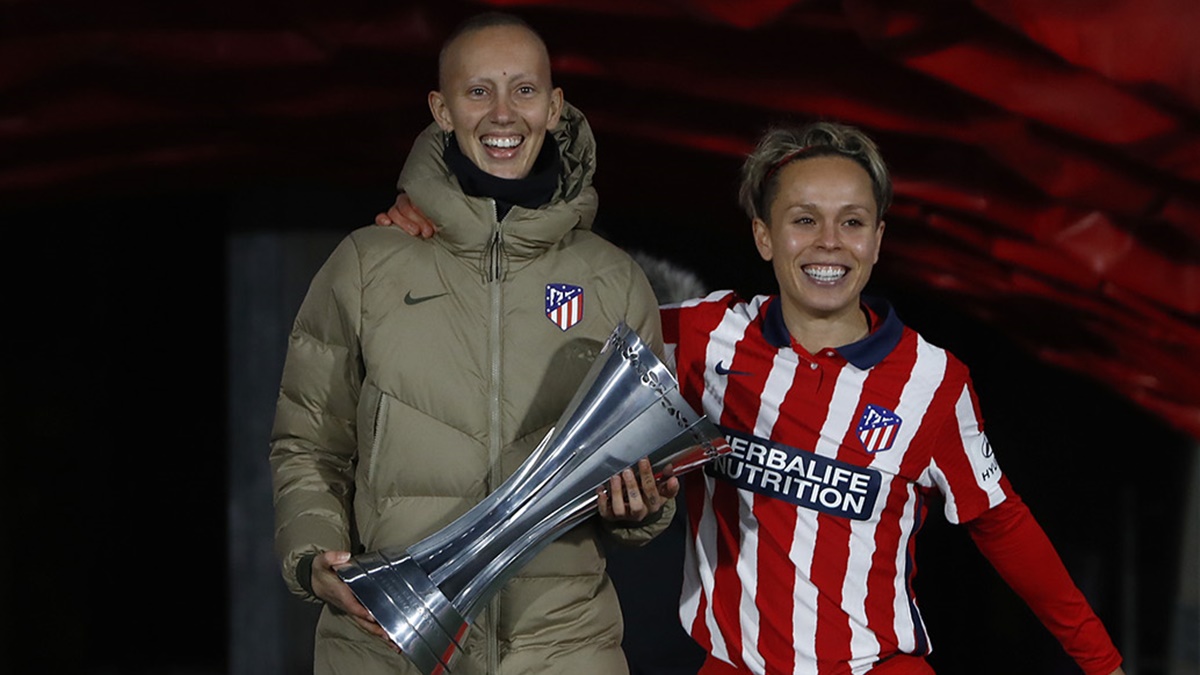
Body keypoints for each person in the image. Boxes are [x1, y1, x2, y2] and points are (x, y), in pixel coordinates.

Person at [377, 121, 1127, 674]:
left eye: (852, 222)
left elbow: (1000, 522)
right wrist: (451, 245)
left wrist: (1100, 663)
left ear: (877, 240)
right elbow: (562, 308)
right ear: (766, 237)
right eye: (805, 220)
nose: (828, 242)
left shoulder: (934, 382)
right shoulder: (704, 338)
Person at [270, 12, 678, 675]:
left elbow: (646, 466)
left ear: (554, 108)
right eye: (477, 90)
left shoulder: (612, 279)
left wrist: (642, 505)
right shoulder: (368, 264)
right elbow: (308, 440)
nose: (502, 112)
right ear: (441, 110)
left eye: (523, 90)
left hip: (560, 650)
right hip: (389, 644)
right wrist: (312, 555)